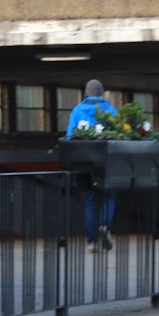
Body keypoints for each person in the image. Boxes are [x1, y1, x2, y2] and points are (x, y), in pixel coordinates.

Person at [65, 78, 117, 252]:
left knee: (90, 200)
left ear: (86, 93)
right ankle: (105, 226)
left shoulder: (77, 111)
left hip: (85, 163)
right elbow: (119, 136)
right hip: (108, 162)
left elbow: (70, 138)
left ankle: (91, 241)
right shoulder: (111, 111)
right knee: (109, 196)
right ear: (102, 93)